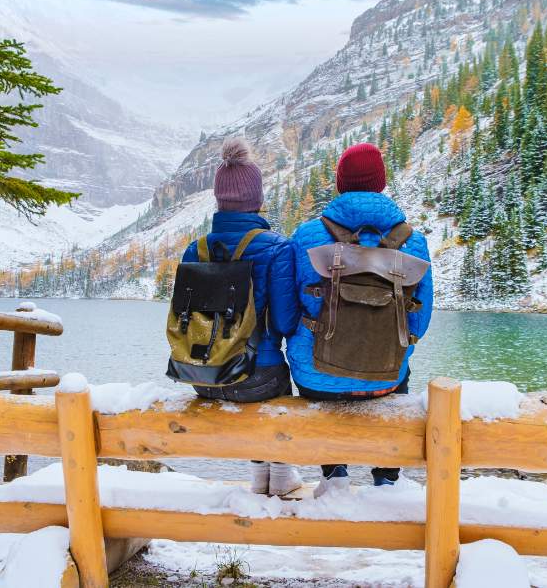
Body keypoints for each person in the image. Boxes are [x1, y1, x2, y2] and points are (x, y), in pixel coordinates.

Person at [287, 143, 433, 497]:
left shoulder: (306, 236)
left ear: (340, 183)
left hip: (316, 379)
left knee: (312, 365)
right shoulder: (413, 242)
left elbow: (288, 309)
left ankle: (334, 474)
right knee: (400, 372)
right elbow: (420, 320)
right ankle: (386, 478)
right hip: (385, 377)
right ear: (381, 183)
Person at [179, 138, 303, 497]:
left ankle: (258, 477)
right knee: (275, 384)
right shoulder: (277, 247)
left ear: (218, 200)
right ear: (257, 199)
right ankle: (280, 474)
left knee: (256, 384)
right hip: (255, 378)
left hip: (204, 377)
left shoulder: (195, 248)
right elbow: (283, 323)